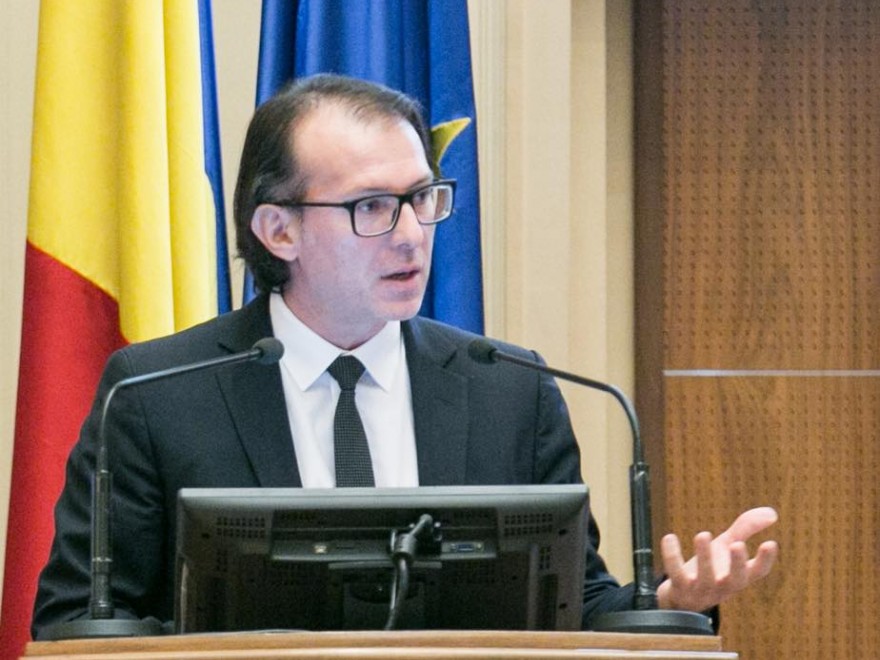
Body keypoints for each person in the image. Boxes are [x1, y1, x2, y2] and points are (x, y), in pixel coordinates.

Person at [32, 74, 778, 638]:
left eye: (422, 198)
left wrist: (671, 602)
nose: (412, 234)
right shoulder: (158, 394)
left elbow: (570, 607)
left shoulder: (508, 391)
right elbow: (78, 619)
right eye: (372, 207)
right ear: (278, 230)